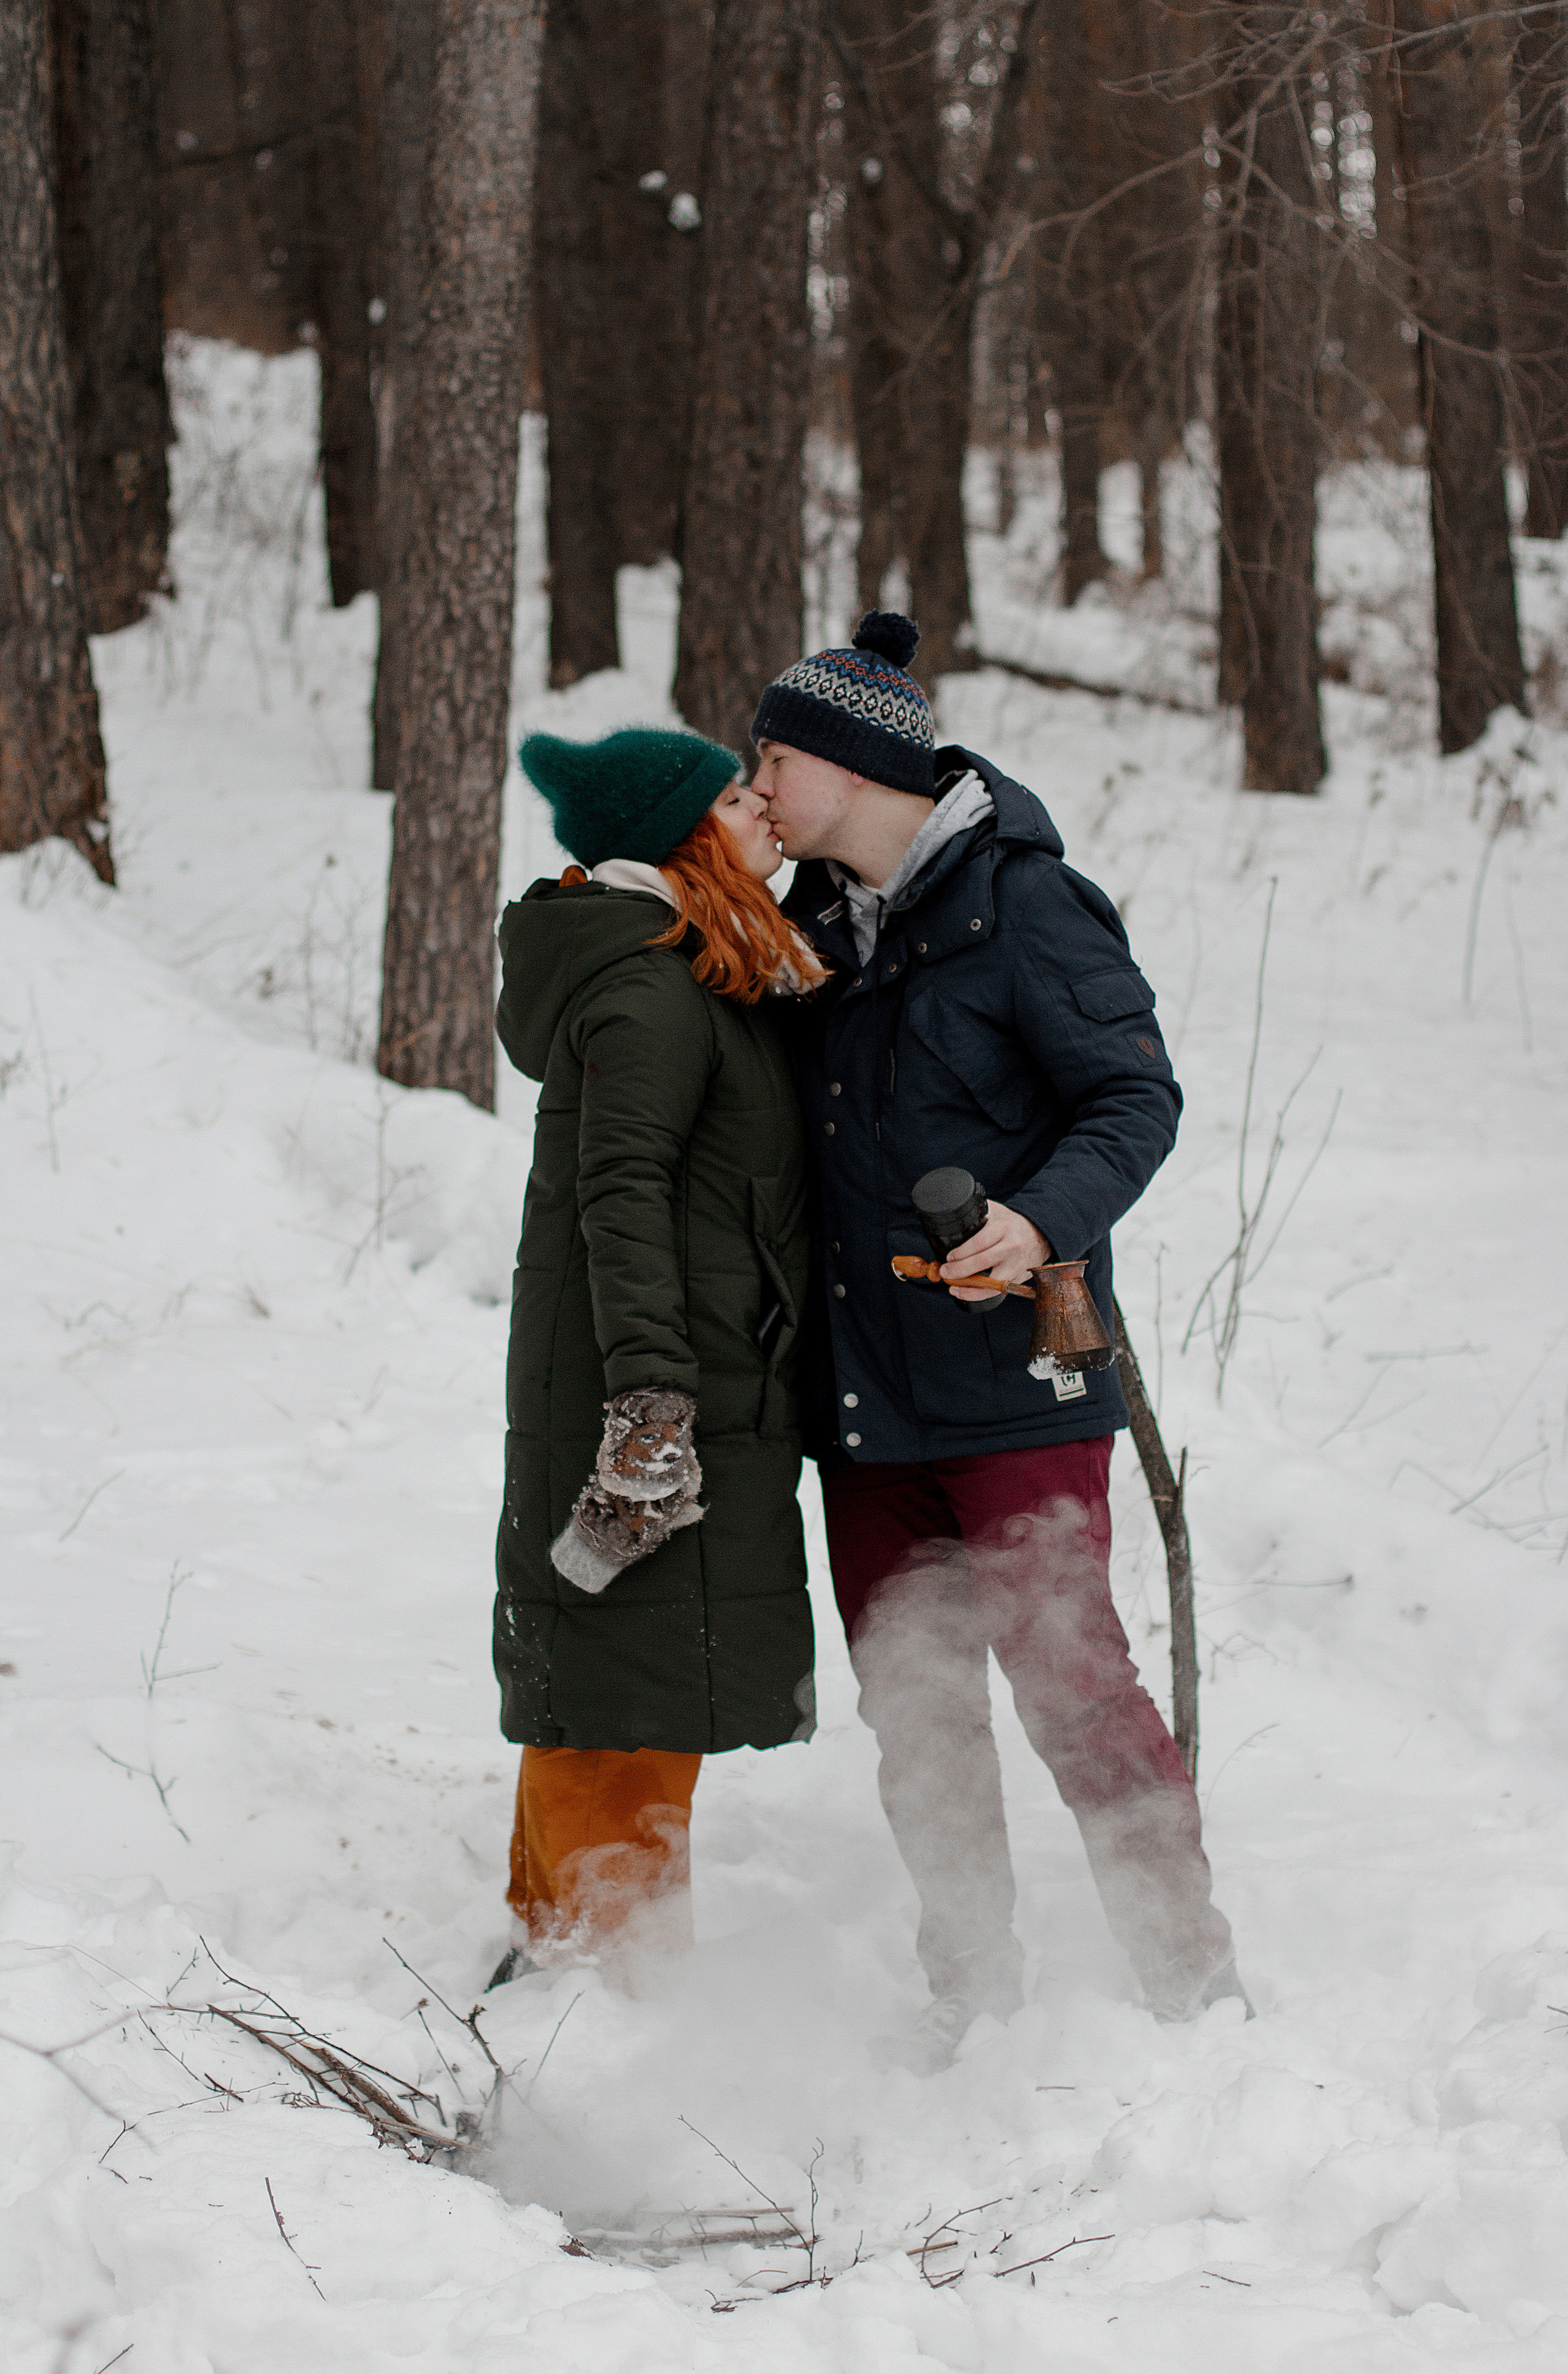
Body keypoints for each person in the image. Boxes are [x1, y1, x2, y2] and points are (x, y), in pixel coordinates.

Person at [752, 610, 1243, 2065]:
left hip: (1018, 1390)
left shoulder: (1027, 907)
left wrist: (1038, 1223)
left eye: (772, 759)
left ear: (851, 766)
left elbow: (1134, 1099)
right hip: (862, 1409)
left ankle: (1191, 1991)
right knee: (917, 1719)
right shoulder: (807, 930)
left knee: (1075, 1691)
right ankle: (970, 1995)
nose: (757, 785)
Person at [488, 725, 824, 1987]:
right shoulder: (646, 988)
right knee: (619, 1681)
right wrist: (648, 1401)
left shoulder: (684, 969)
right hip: (644, 1386)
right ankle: (584, 1983)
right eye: (737, 798)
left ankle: (582, 1963)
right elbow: (618, 1190)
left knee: (639, 1672)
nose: (764, 811)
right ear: (683, 836)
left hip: (686, 1372)